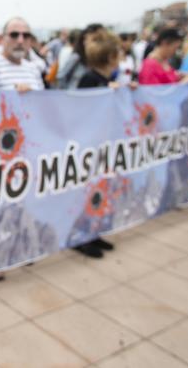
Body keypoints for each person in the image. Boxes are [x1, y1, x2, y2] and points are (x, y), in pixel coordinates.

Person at [74, 31, 121, 258]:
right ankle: (81, 236)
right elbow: (84, 111)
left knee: (101, 189)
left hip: (103, 143)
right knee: (88, 191)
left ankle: (94, 232)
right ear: (111, 56)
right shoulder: (89, 79)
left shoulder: (107, 80)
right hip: (90, 144)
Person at [0, 17, 44, 92]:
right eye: (14, 35)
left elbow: (41, 102)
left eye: (26, 35)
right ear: (2, 38)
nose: (20, 41)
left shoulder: (33, 69)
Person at [57, 23, 104, 90]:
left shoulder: (101, 60)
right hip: (75, 96)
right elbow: (61, 76)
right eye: (93, 40)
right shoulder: (76, 57)